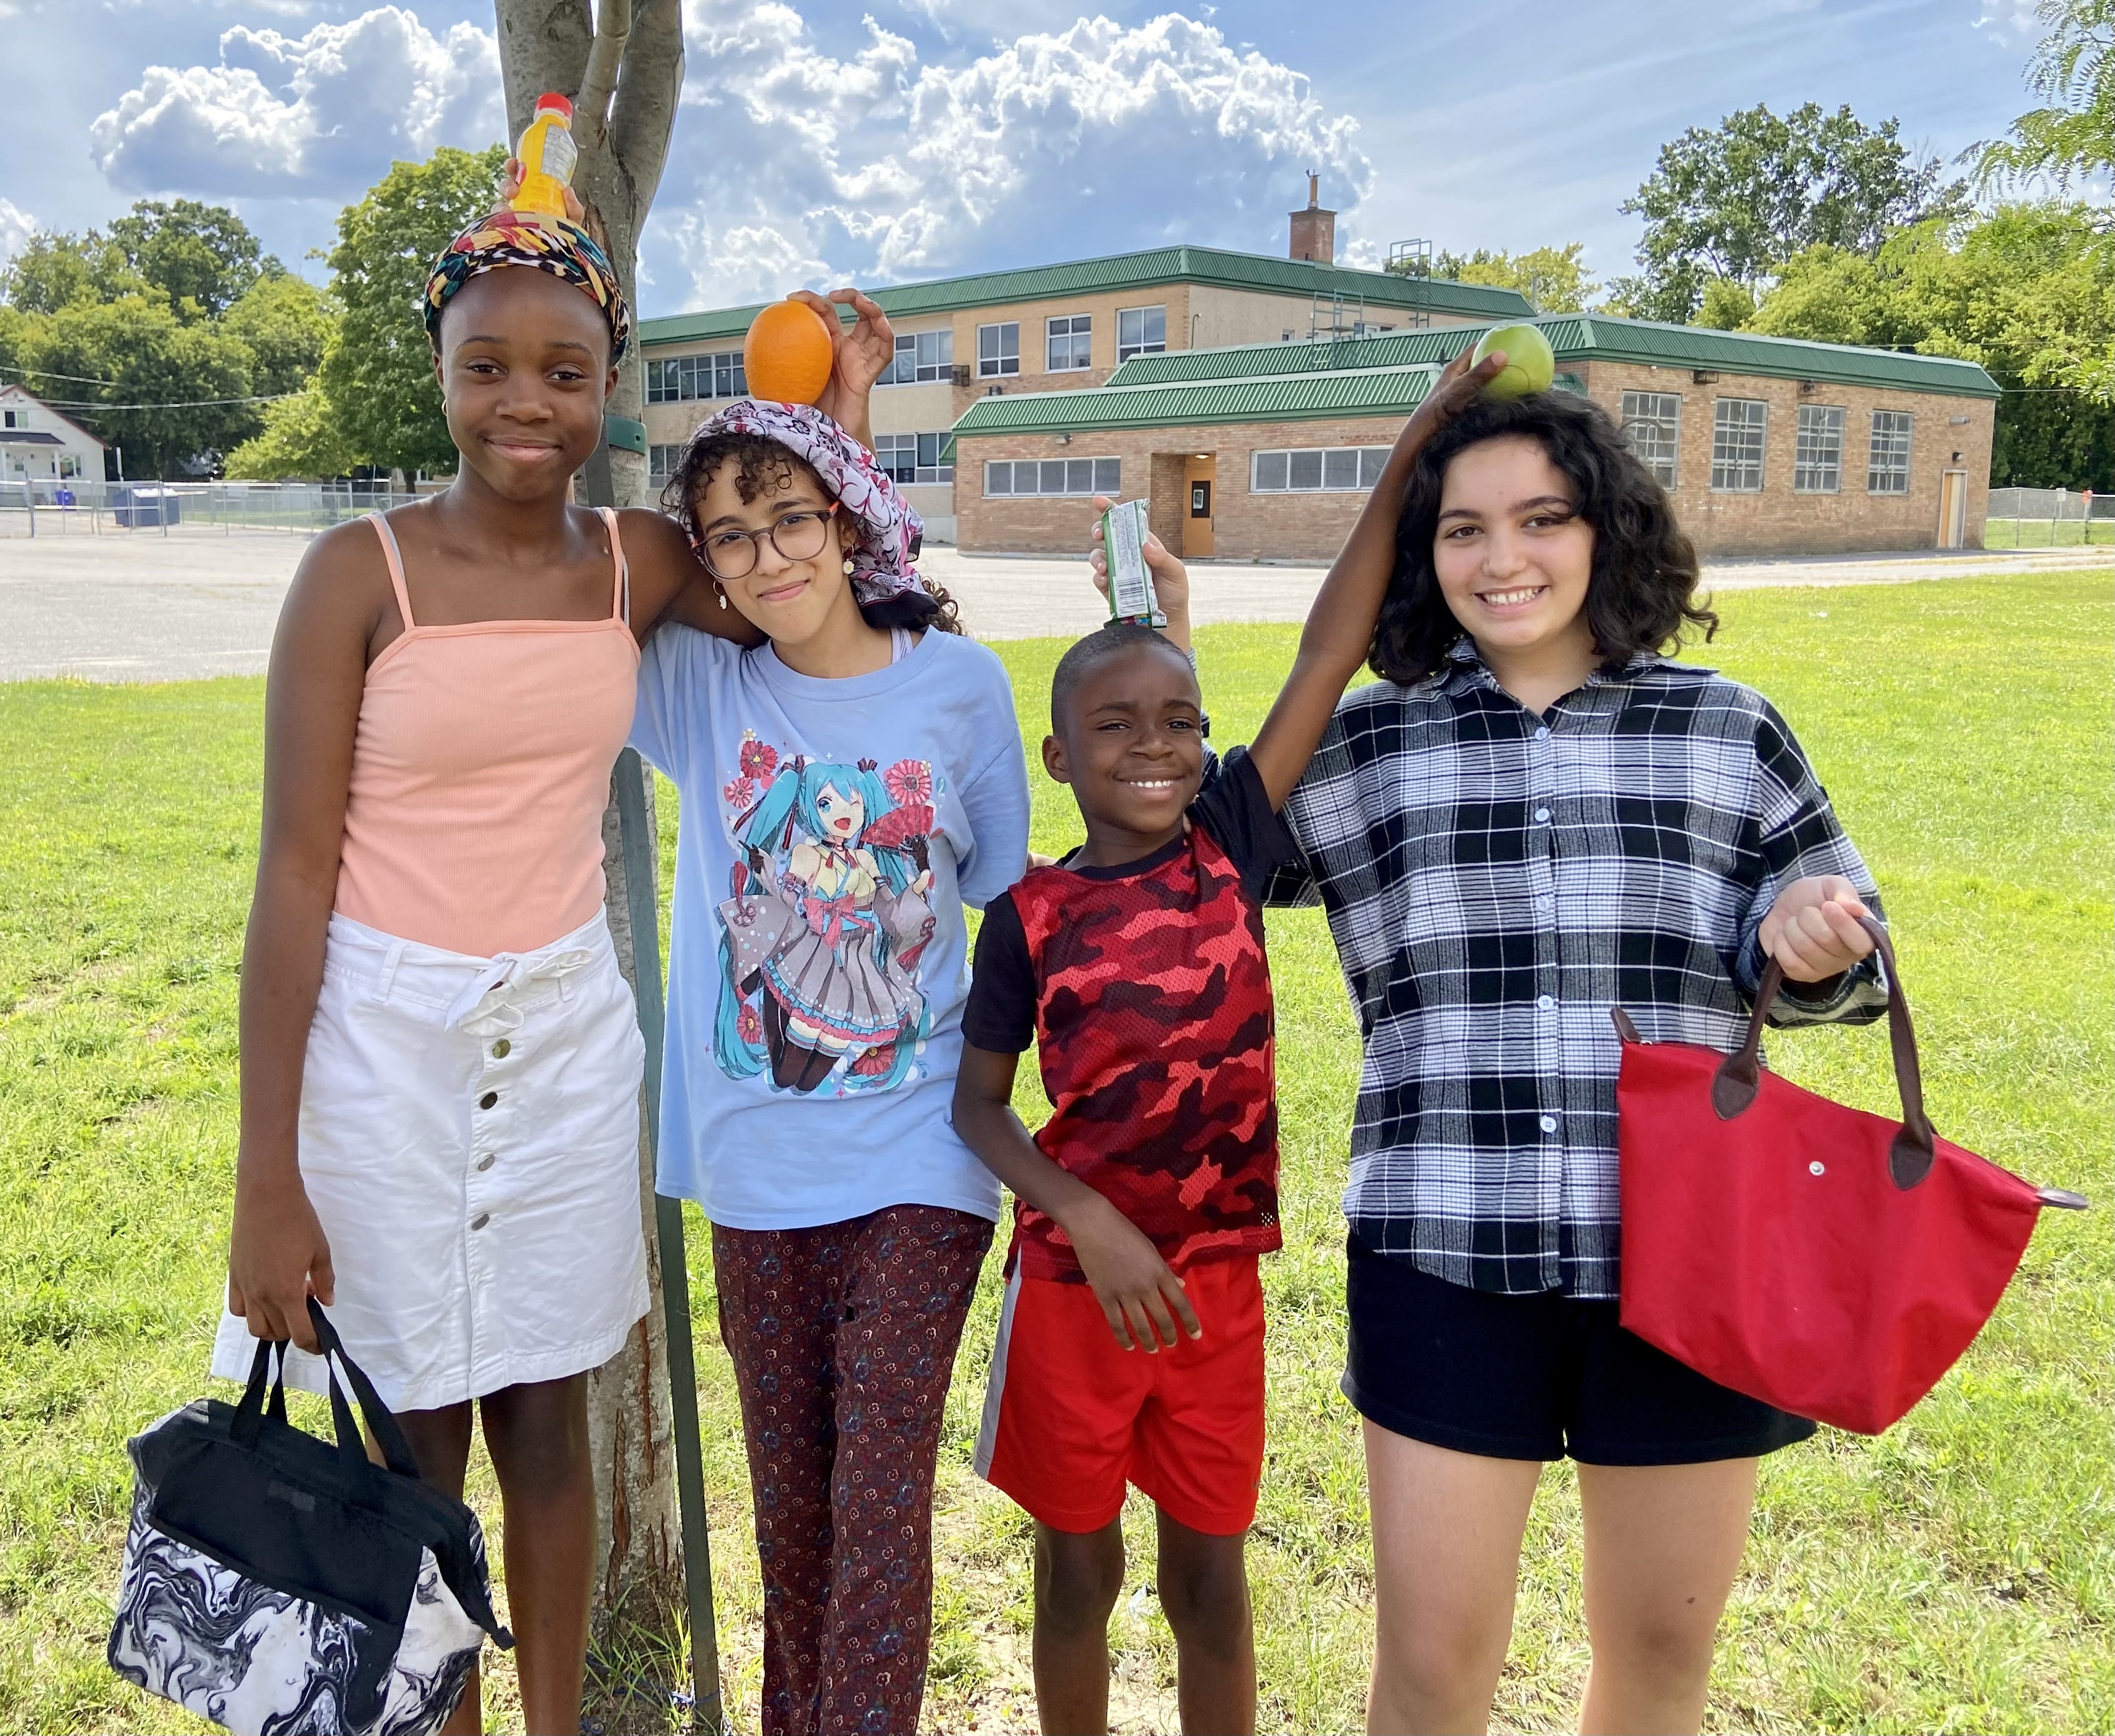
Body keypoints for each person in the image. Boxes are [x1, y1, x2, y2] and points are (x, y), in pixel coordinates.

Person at [212, 202, 889, 1734]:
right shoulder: (354, 575)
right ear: (440, 369)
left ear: (610, 382)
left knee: (548, 1428)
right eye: (490, 365)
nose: (528, 401)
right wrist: (267, 1175)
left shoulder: (632, 562)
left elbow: (810, 614)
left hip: (570, 1034)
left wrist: (831, 422)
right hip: (382, 1050)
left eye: (566, 371)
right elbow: (293, 877)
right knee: (414, 1446)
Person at [1152, 380, 1888, 1736]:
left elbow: (1848, 964)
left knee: (1662, 1659)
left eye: (1541, 519)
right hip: (1445, 1246)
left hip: (1689, 1256)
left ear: (1601, 527)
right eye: (1461, 530)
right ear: (1415, 559)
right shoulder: (1366, 744)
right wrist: (1178, 655)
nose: (1503, 561)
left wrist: (1812, 941)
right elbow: (1200, 873)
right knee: (1432, 1668)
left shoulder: (1727, 729)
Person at [950, 349, 1512, 1736]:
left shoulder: (1231, 845)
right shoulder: (1027, 917)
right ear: (1057, 757)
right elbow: (976, 1112)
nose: (1157, 745)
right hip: (1079, 1296)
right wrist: (1086, 1216)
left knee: (1212, 1581)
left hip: (1215, 1300)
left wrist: (1419, 434)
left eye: (1182, 722)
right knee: (1076, 1575)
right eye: (1116, 725)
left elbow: (1331, 638)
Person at [629, 400, 1030, 1735]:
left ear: (851, 518)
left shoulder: (956, 686)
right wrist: (712, 558)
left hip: (922, 1155)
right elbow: (601, 553)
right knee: (793, 1515)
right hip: (753, 1167)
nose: (765, 557)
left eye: (792, 518)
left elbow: (1006, 904)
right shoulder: (701, 687)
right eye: (729, 537)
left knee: (876, 1507)